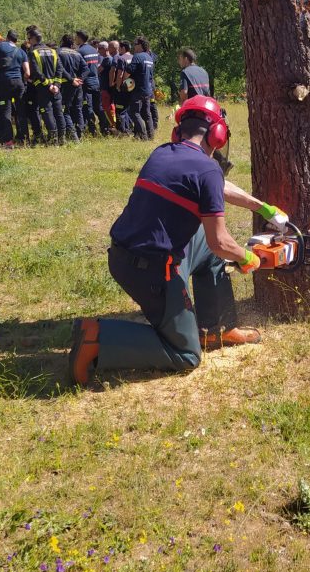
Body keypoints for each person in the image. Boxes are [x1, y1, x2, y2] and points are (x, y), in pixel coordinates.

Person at [68, 96, 289, 384]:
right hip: (149, 271)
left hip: (126, 255)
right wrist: (248, 258)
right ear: (217, 135)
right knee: (186, 354)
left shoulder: (164, 152)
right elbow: (219, 241)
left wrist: (260, 206)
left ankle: (216, 328)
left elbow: (216, 185)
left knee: (208, 252)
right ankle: (97, 336)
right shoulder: (206, 168)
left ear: (179, 130)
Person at [0, 31, 30, 146]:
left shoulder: (1, 45)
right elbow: (27, 73)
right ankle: (24, 139)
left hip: (5, 82)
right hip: (19, 83)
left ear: (7, 38)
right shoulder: (21, 51)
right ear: (16, 40)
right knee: (21, 112)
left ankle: (8, 141)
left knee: (6, 111)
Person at [26, 27, 67, 145]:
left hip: (43, 88)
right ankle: (62, 138)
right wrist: (57, 85)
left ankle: (53, 138)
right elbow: (60, 69)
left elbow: (36, 71)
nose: (28, 41)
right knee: (59, 112)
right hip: (56, 88)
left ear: (33, 38)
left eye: (29, 39)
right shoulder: (53, 51)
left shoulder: (33, 52)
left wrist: (48, 85)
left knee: (47, 111)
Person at [76, 30, 111, 136]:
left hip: (86, 83)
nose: (74, 39)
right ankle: (105, 129)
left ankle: (92, 131)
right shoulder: (94, 50)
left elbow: (79, 68)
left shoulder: (79, 51)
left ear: (79, 38)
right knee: (99, 107)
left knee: (88, 107)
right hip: (96, 82)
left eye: (76, 37)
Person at [57, 34, 88, 141]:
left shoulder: (59, 52)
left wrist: (71, 80)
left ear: (62, 41)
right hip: (77, 86)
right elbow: (86, 69)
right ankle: (80, 133)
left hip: (66, 85)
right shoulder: (77, 53)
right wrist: (79, 79)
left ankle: (73, 137)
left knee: (64, 110)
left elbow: (60, 68)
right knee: (78, 109)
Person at [126, 35, 156, 141]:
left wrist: (124, 81)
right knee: (147, 114)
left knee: (135, 113)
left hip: (138, 89)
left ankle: (143, 136)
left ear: (140, 45)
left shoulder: (137, 56)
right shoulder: (149, 58)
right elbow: (151, 76)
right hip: (148, 89)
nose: (134, 47)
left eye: (135, 44)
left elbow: (129, 71)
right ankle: (151, 136)